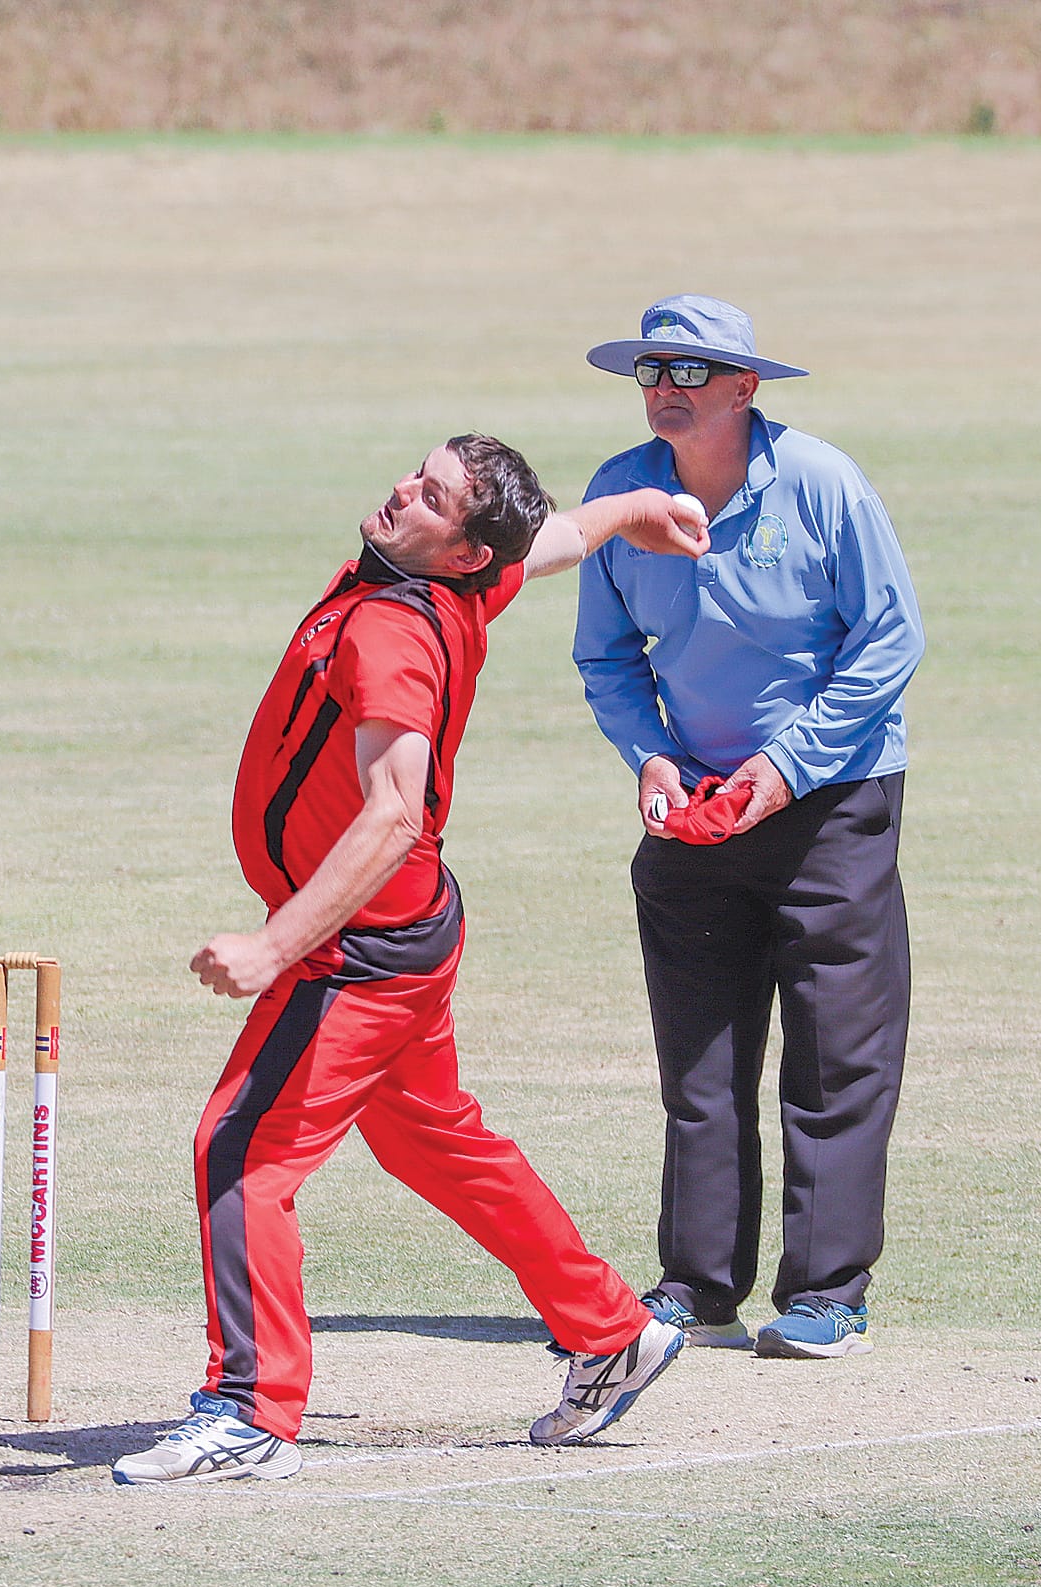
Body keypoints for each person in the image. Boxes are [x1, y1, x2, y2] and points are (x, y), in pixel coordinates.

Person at [112, 434, 708, 1485]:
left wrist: (272, 944)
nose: (401, 493)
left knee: (240, 1150)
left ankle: (251, 1408)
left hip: (360, 950)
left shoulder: (396, 629)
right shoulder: (451, 580)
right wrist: (639, 509)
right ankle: (610, 1326)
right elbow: (558, 537)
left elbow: (390, 813)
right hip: (409, 932)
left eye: (430, 498)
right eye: (415, 473)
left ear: (462, 551)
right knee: (435, 1143)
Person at [574, 295, 924, 1360]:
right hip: (694, 808)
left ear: (744, 388)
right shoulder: (616, 493)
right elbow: (606, 659)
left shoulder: (821, 481)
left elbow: (891, 638)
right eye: (651, 372)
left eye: (690, 371)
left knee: (835, 1054)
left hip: (834, 800)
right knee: (701, 1055)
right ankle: (697, 1282)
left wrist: (787, 764)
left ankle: (827, 1293)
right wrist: (655, 760)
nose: (667, 389)